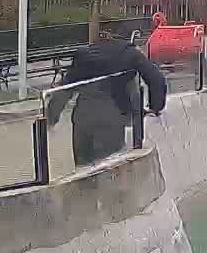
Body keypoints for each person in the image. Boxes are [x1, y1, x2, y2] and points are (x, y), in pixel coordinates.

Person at [47, 39, 169, 167]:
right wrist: (155, 107)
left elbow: (66, 88)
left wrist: (51, 117)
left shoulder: (84, 54)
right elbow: (157, 79)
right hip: (112, 117)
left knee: (83, 169)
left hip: (83, 118)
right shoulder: (130, 53)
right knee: (108, 167)